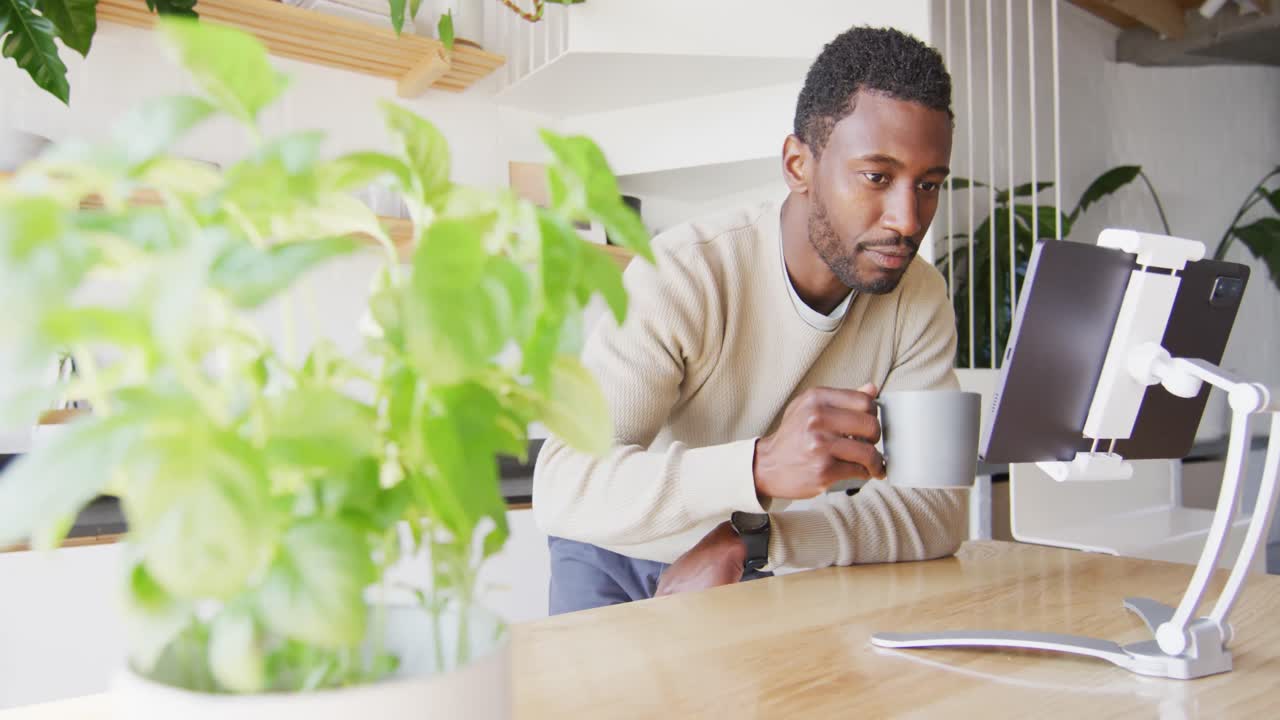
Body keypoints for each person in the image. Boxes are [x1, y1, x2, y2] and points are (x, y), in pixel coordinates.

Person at [533, 25, 966, 615]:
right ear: (798, 164)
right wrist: (758, 466)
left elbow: (936, 510)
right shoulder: (684, 273)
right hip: (612, 549)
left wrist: (754, 538)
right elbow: (563, 486)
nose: (908, 219)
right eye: (876, 177)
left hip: (749, 560)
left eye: (929, 185)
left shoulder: (918, 298)